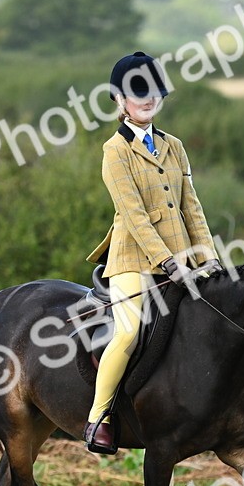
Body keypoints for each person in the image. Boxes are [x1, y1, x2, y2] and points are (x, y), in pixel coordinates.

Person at [83, 51, 223, 454]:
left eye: (153, 94)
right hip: (131, 260)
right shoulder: (115, 151)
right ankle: (98, 418)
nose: (147, 101)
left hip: (183, 258)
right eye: (138, 94)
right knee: (128, 331)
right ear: (119, 100)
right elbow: (135, 215)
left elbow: (190, 206)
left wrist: (207, 256)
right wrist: (167, 262)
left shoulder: (174, 146)